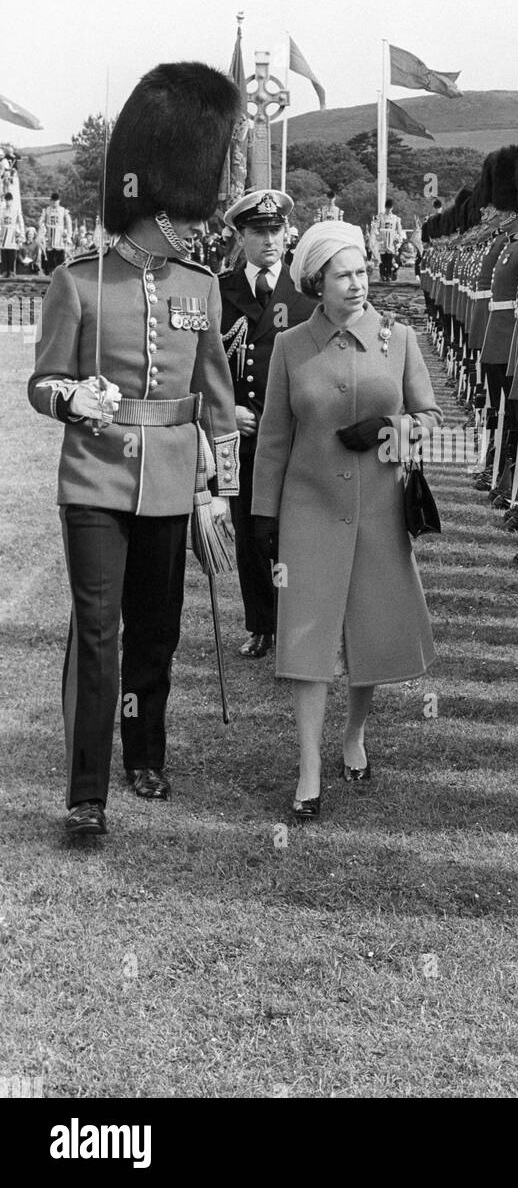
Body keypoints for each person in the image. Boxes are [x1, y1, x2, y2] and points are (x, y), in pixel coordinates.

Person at [28, 61, 242, 838]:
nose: (199, 223)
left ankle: (143, 749)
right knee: (96, 628)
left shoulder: (200, 286)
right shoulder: (77, 281)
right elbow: (42, 380)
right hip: (93, 477)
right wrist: (71, 396)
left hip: (173, 481)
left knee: (157, 630)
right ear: (157, 199)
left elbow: (215, 399)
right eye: (188, 210)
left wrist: (219, 488)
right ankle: (87, 792)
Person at [251, 220, 441, 822]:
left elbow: (434, 418)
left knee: (371, 633)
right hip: (308, 509)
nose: (358, 284)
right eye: (344, 275)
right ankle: (308, 767)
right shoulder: (289, 347)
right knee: (306, 637)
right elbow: (274, 440)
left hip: (380, 510)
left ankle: (354, 734)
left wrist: (395, 429)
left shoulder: (400, 338)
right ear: (317, 281)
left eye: (362, 271)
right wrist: (263, 515)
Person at [219, 188, 317, 658]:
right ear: (240, 236)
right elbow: (203, 365)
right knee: (250, 529)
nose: (270, 240)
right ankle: (261, 623)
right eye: (258, 232)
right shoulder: (220, 290)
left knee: (295, 529)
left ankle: (299, 622)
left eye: (276, 230)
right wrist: (225, 411)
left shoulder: (305, 291)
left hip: (295, 433)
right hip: (242, 433)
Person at [38, 192, 73, 273]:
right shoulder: (46, 210)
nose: (54, 203)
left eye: (56, 201)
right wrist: (43, 228)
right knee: (49, 253)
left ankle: (60, 272)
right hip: (49, 234)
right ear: (50, 201)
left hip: (59, 235)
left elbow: (69, 223)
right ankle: (49, 271)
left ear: (59, 201)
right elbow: (41, 221)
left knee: (60, 254)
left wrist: (68, 235)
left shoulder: (63, 210)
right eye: (53, 201)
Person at [377, 198, 404, 283]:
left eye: (390, 208)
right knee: (383, 259)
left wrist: (399, 240)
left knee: (389, 259)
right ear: (385, 207)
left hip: (391, 241)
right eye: (387, 208)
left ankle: (389, 275)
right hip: (382, 241)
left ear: (392, 208)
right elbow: (376, 229)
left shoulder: (395, 218)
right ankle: (383, 274)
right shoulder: (380, 217)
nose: (388, 210)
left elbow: (399, 230)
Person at [0, 191, 23, 275]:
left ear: (12, 200)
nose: (7, 202)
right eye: (6, 200)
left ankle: (11, 271)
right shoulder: (1, 210)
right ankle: (5, 271)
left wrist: (21, 234)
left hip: (12, 232)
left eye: (9, 200)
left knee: (12, 252)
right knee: (4, 252)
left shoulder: (16, 210)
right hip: (4, 232)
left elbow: (21, 222)